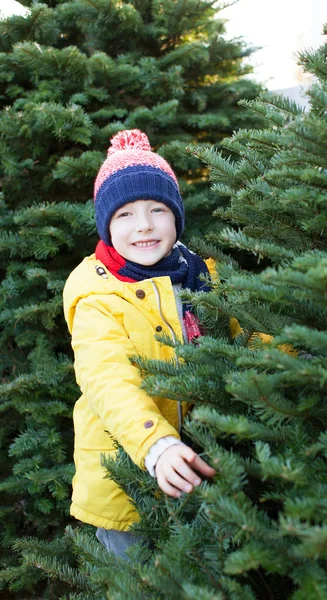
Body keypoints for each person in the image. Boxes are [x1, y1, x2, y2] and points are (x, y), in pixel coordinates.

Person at [63, 130, 216, 558]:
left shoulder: (199, 276)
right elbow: (107, 380)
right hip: (124, 482)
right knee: (139, 575)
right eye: (125, 214)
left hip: (196, 465)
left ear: (176, 217)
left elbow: (243, 336)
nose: (144, 224)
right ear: (107, 226)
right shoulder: (96, 296)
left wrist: (298, 353)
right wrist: (156, 444)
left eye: (157, 209)